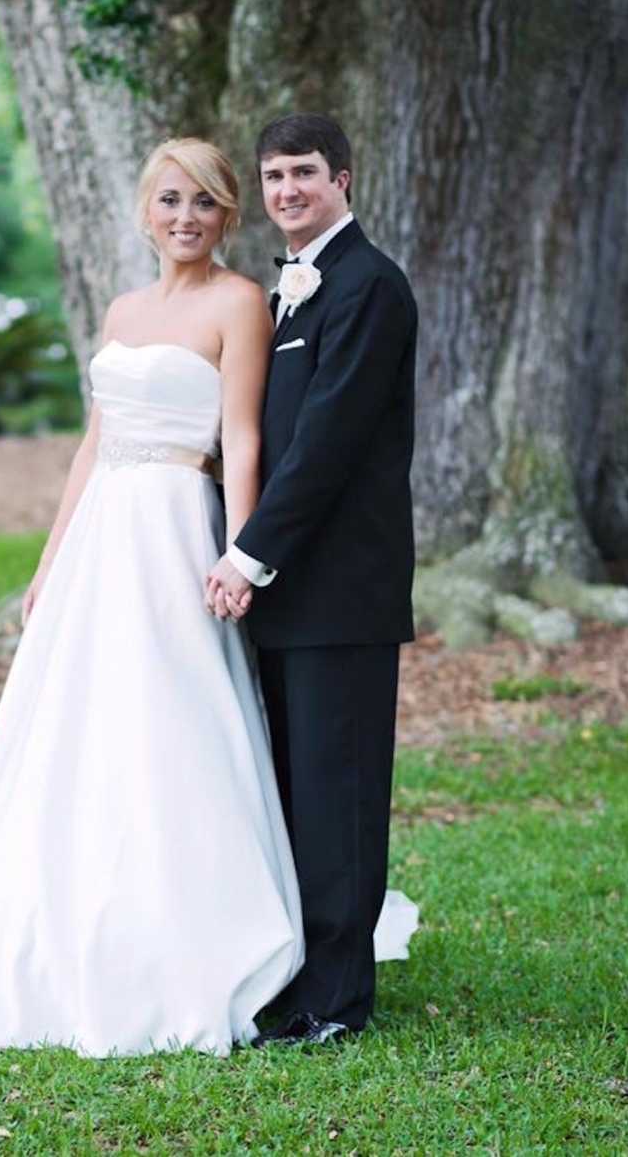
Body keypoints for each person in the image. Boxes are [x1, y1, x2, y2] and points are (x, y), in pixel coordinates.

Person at [0, 138, 305, 1057]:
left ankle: (193, 933)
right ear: (144, 210)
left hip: (173, 524)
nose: (185, 218)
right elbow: (92, 443)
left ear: (226, 215)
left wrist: (241, 554)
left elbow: (241, 437)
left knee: (172, 714)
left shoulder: (241, 305)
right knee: (77, 720)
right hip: (100, 539)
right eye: (169, 200)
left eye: (203, 203)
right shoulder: (122, 309)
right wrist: (49, 561)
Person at [207, 112, 419, 1048]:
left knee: (338, 797)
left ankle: (338, 1000)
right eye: (274, 177)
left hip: (342, 593)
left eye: (304, 173)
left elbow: (326, 446)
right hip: (287, 594)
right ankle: (300, 976)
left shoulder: (372, 286)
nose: (287, 190)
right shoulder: (288, 291)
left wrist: (247, 553)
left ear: (345, 179)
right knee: (291, 792)